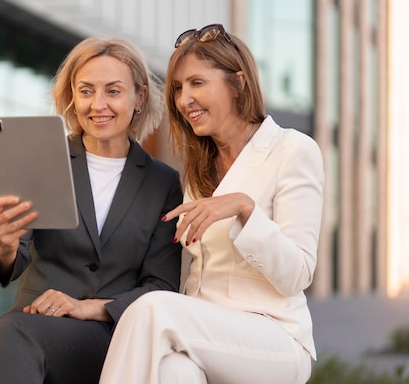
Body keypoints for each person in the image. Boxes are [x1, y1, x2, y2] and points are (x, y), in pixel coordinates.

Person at [98, 24, 325, 384]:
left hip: (273, 339)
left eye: (196, 83)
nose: (183, 99)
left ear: (238, 84)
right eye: (177, 88)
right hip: (202, 335)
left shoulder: (292, 150)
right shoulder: (196, 169)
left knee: (152, 310)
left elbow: (298, 274)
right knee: (173, 372)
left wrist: (244, 208)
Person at [0, 36, 183, 384]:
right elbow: (10, 265)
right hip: (31, 327)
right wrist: (4, 244)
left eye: (113, 91)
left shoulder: (162, 182)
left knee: (8, 334)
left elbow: (161, 285)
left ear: (138, 98)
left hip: (107, 335)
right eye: (86, 90)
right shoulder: (45, 159)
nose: (98, 104)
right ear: (72, 98)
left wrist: (89, 307)